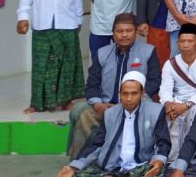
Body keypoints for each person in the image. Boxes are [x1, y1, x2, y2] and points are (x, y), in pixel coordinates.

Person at [57, 72, 170, 177]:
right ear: (119, 94)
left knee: (157, 174)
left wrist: (158, 161)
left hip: (141, 165)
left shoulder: (156, 111)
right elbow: (97, 145)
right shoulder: (110, 114)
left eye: (134, 93)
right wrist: (73, 167)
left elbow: (163, 142)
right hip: (113, 166)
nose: (129, 98)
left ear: (142, 94)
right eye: (125, 94)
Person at [67, 13, 161, 159]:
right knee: (80, 110)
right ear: (113, 33)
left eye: (129, 31)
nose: (124, 35)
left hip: (137, 105)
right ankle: (81, 159)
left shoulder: (148, 51)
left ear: (136, 32)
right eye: (120, 31)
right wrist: (98, 104)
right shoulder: (102, 53)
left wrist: (131, 102)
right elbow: (92, 84)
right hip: (106, 107)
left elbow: (154, 81)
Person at [158, 23, 196, 160]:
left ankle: (193, 157)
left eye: (190, 41)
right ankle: (172, 159)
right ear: (177, 43)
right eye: (182, 41)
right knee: (170, 115)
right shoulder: (170, 64)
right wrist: (168, 104)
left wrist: (187, 105)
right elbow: (165, 89)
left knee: (195, 112)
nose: (186, 45)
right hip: (176, 101)